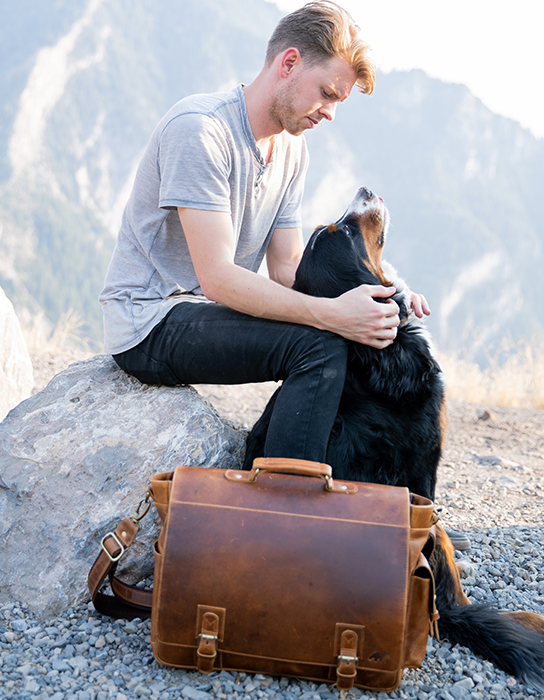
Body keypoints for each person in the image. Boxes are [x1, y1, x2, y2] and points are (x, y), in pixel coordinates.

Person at [99, 1, 430, 468]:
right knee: (319, 342)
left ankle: (347, 484)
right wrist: (329, 316)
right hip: (148, 322)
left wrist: (387, 294)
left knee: (337, 334)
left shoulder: (293, 150)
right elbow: (217, 279)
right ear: (288, 63)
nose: (331, 114)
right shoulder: (201, 130)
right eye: (327, 93)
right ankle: (287, 504)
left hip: (205, 315)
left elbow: (289, 271)